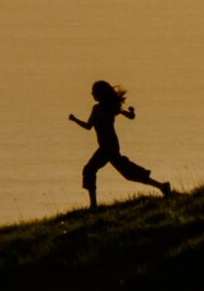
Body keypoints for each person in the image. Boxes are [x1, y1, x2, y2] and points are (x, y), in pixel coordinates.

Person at [68, 80, 172, 208]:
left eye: (94, 92)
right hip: (105, 146)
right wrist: (75, 120)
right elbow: (88, 126)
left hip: (110, 146)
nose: (92, 95)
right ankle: (162, 186)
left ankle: (93, 206)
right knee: (118, 172)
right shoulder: (96, 109)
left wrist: (132, 112)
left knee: (92, 170)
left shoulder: (110, 107)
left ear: (101, 94)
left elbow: (129, 116)